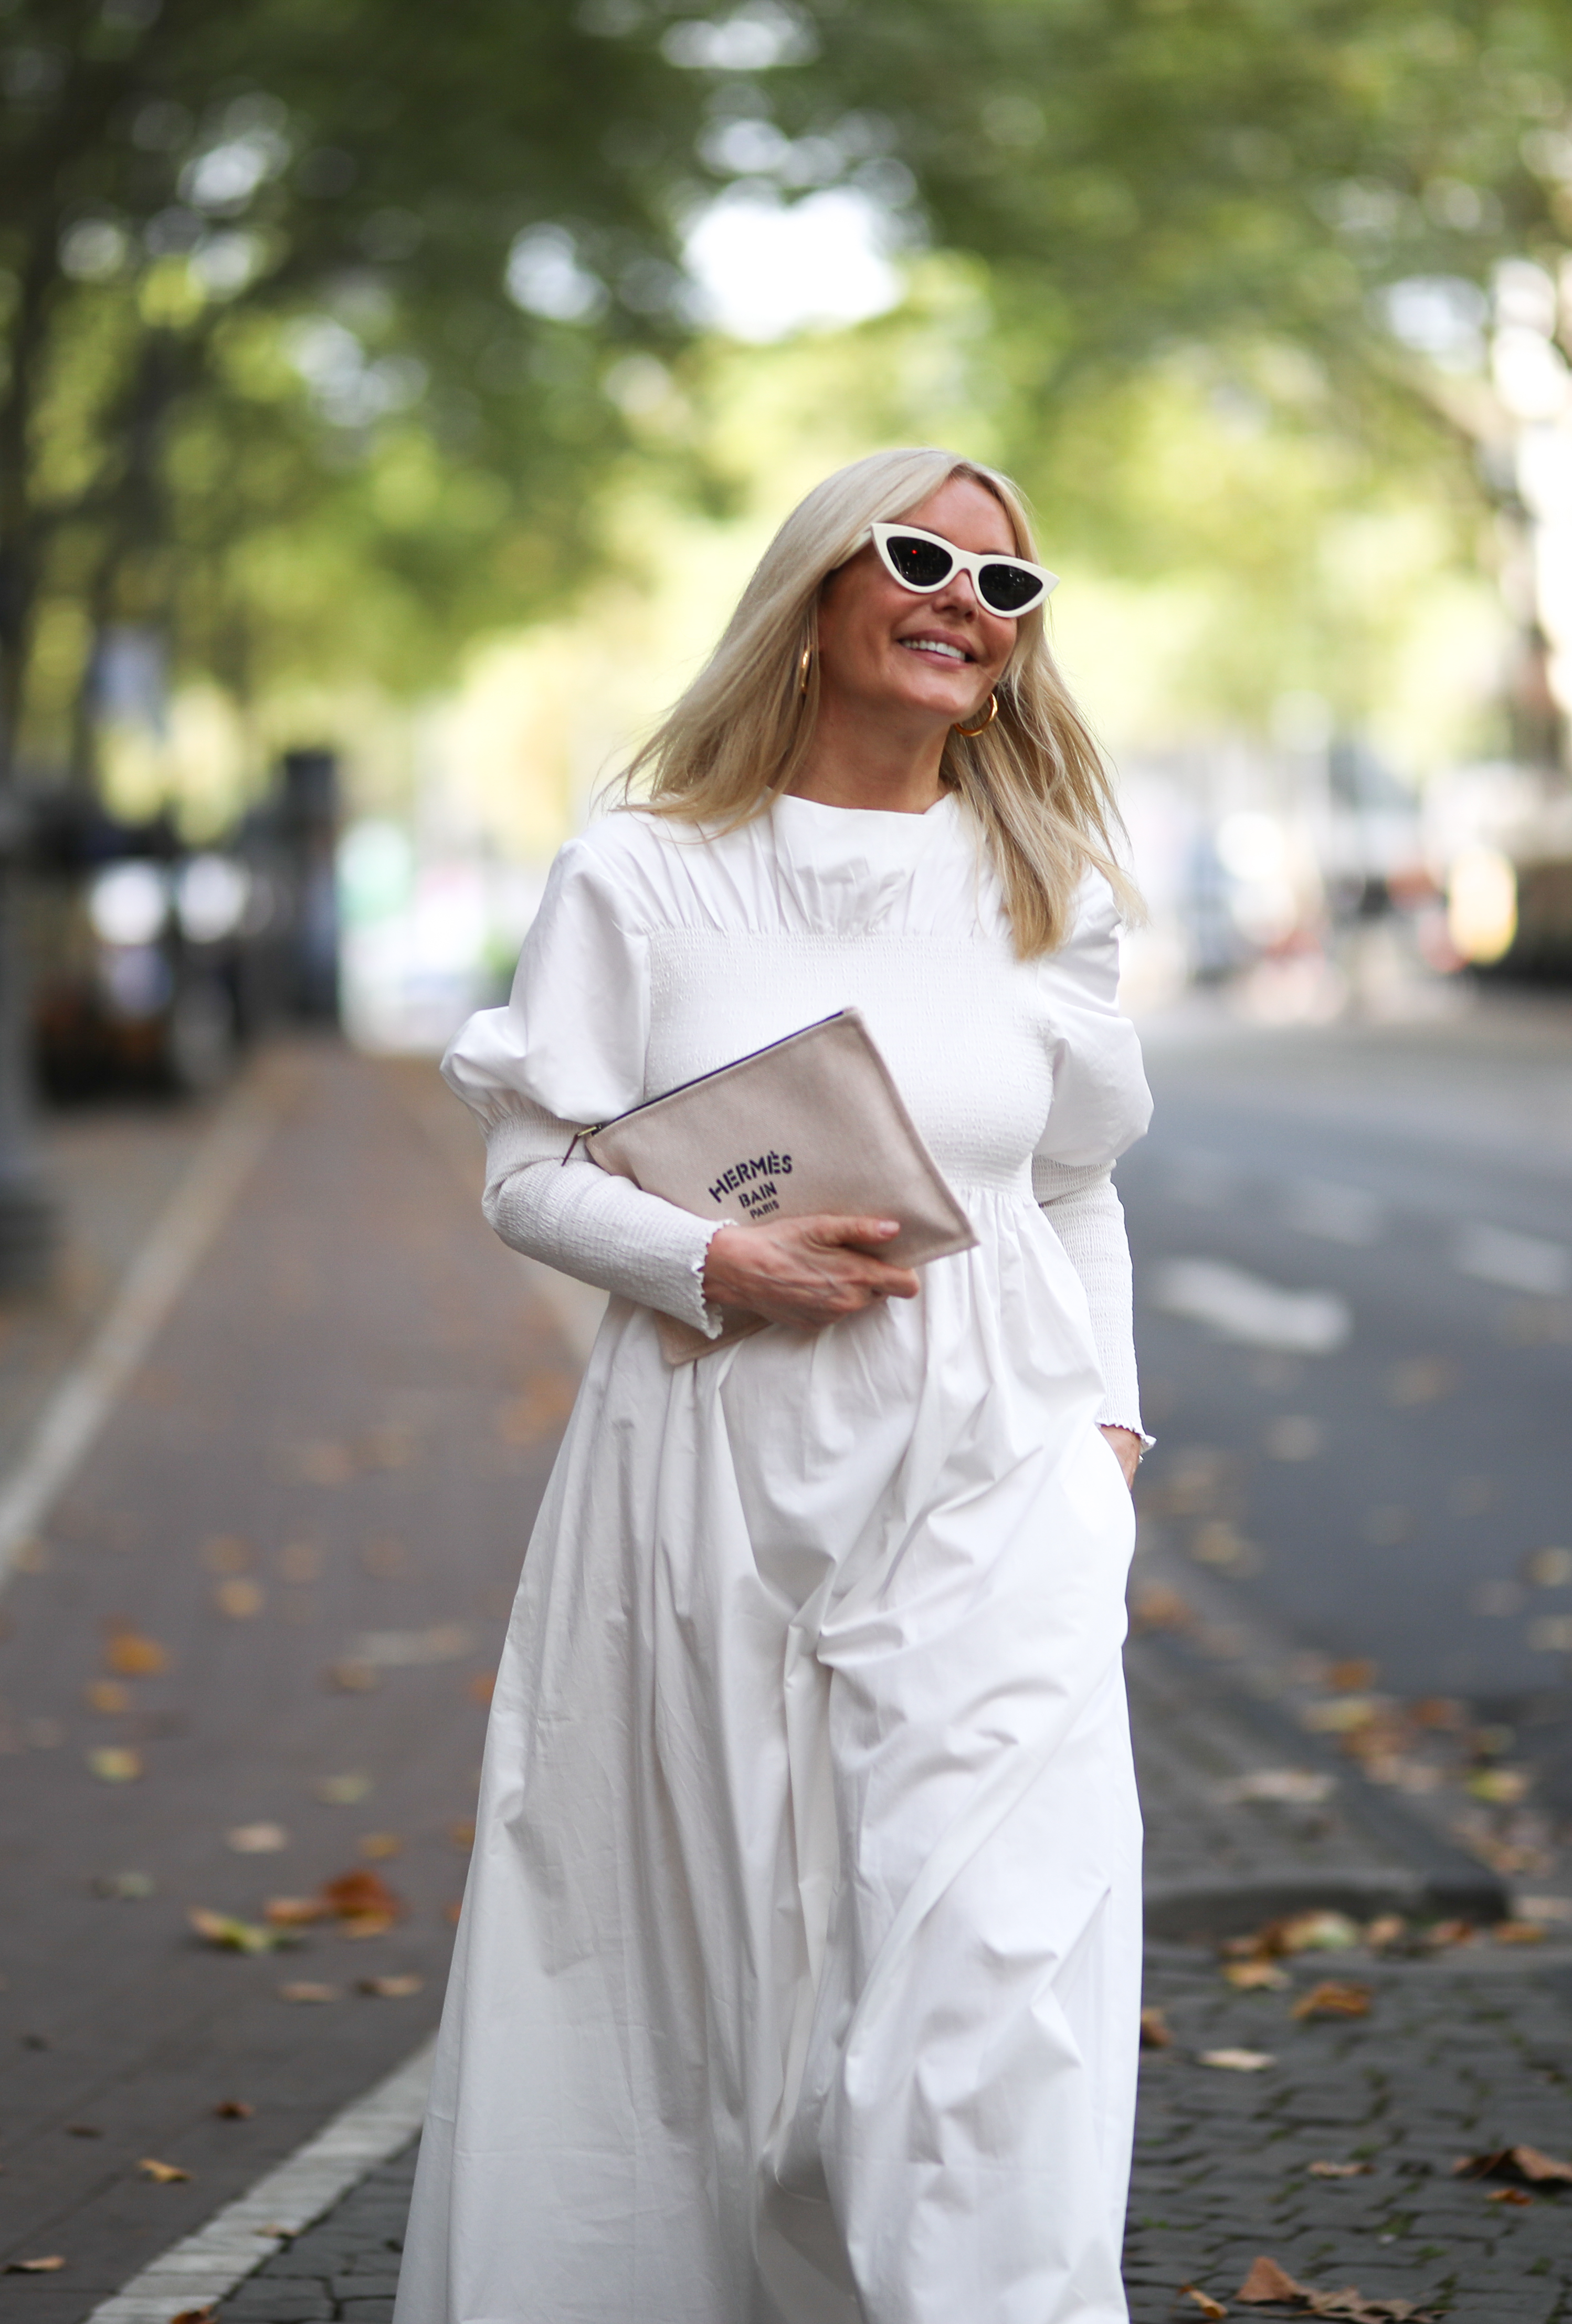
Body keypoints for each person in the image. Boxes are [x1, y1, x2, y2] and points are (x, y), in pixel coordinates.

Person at [400, 447, 1154, 2324]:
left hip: (999, 1479)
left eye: (1006, 584)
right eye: (918, 557)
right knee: (736, 1990)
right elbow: (526, 1171)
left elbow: (1074, 1188)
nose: (965, 601)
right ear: (815, 592)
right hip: (713, 1477)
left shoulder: (1045, 880)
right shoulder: (643, 876)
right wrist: (713, 1261)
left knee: (994, 1972)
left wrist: (1111, 1434)